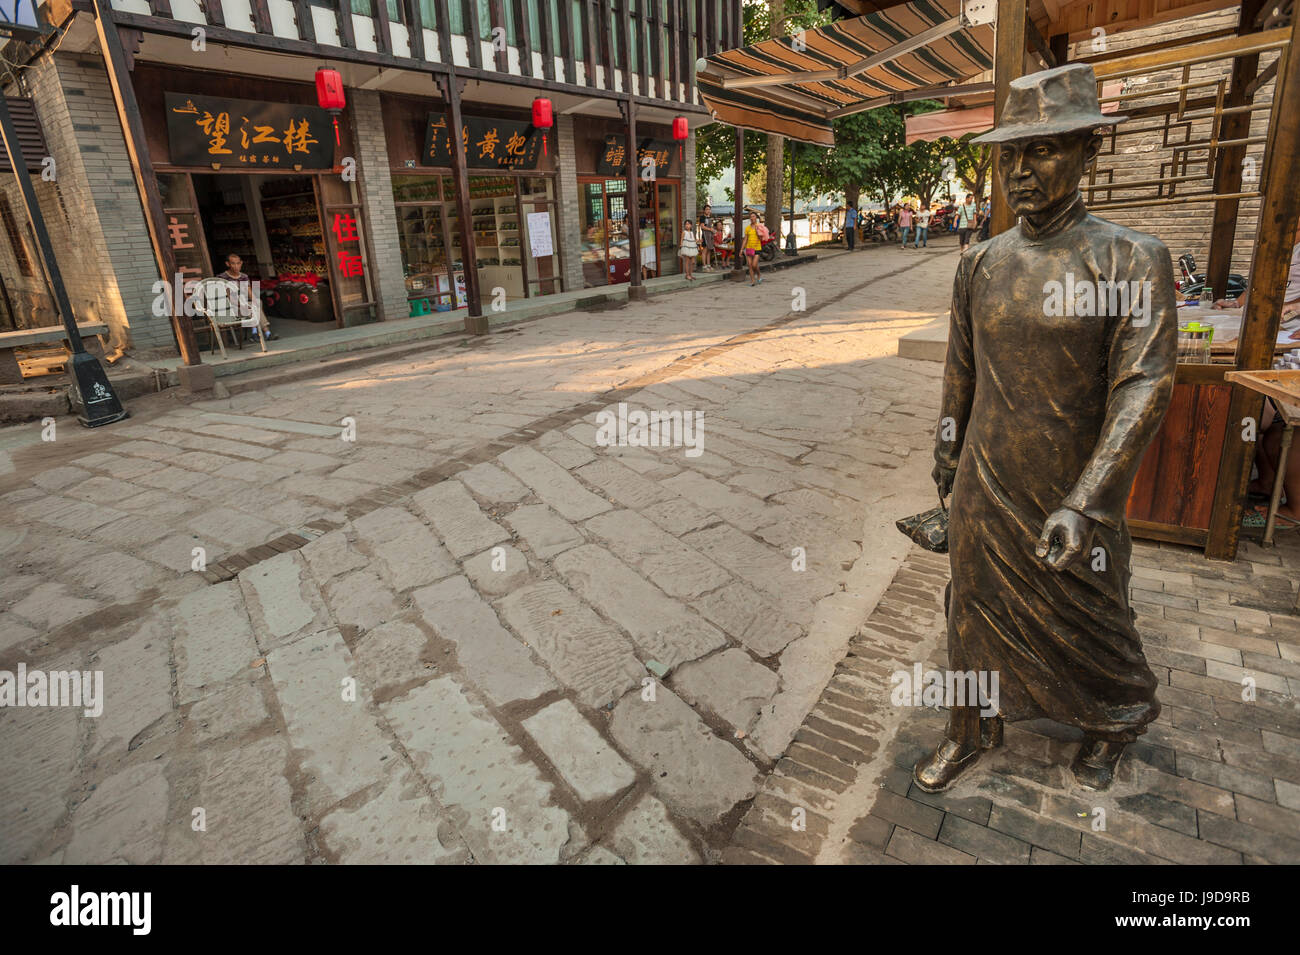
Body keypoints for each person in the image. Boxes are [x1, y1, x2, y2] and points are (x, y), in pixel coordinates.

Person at [914, 63, 1177, 795]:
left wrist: (1087, 501)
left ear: (1088, 151)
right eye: (1009, 154)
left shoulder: (1130, 258)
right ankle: (970, 728)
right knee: (970, 611)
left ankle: (1110, 721)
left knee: (1093, 620)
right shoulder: (980, 263)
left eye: (1043, 150)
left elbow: (1143, 387)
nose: (1020, 171)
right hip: (986, 484)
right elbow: (957, 380)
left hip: (1072, 486)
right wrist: (945, 470)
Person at [218, 253, 275, 343]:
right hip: (231, 308)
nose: (236, 266)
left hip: (244, 305)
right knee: (252, 307)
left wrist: (254, 301)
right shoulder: (222, 278)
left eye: (238, 263)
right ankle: (264, 332)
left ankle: (257, 332)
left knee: (257, 303)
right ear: (227, 264)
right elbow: (228, 297)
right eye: (233, 263)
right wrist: (242, 305)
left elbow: (250, 293)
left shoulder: (244, 276)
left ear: (241, 263)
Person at [742, 211, 763, 285]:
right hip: (749, 248)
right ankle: (752, 281)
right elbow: (745, 239)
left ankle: (759, 275)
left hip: (757, 248)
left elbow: (761, 239)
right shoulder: (747, 228)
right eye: (751, 217)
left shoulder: (759, 226)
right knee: (750, 265)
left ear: (756, 218)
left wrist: (758, 233)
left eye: (753, 216)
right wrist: (741, 249)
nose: (752, 218)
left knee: (754, 265)